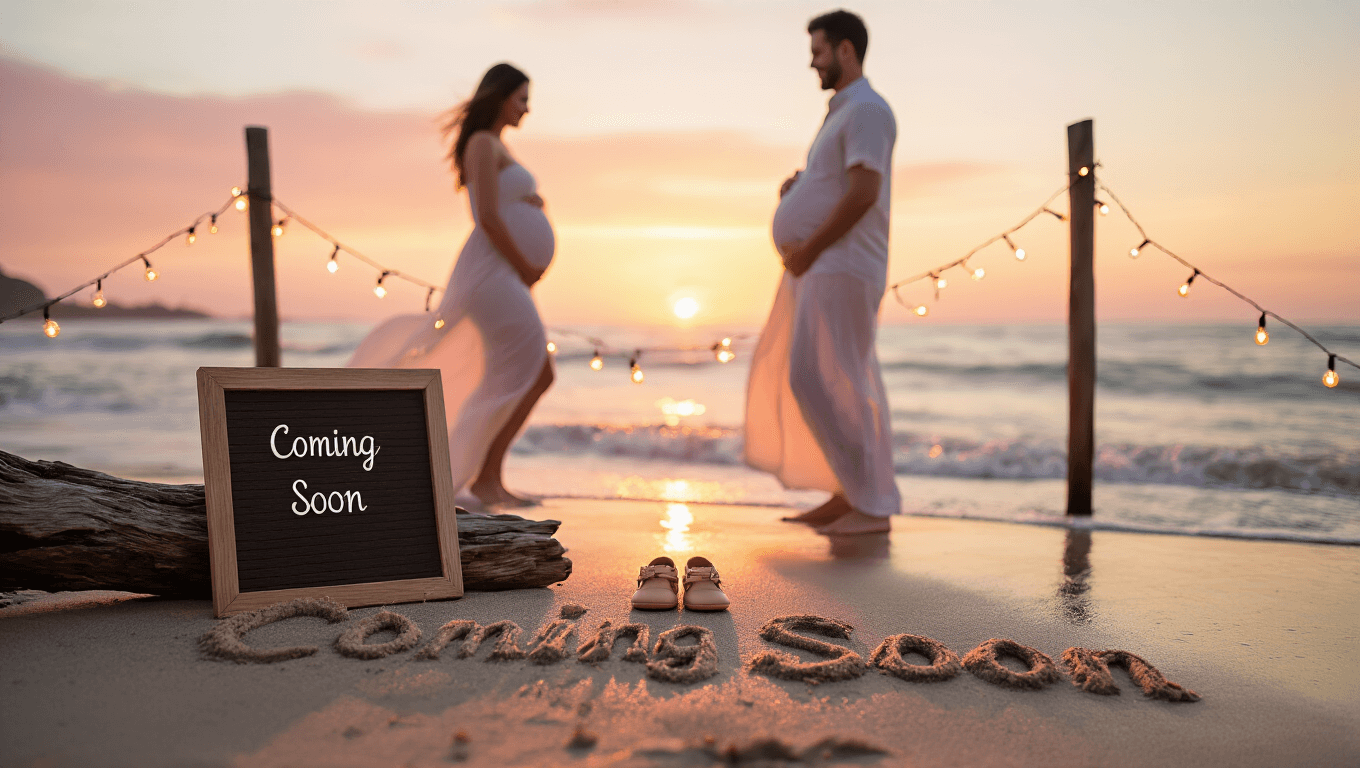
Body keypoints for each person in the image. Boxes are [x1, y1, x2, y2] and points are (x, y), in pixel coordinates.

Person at [349, 63, 554, 508]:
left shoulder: (496, 145)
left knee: (528, 373)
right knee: (533, 372)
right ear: (499, 97)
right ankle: (479, 477)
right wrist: (523, 265)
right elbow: (486, 216)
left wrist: (530, 201)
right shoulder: (482, 142)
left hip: (501, 274)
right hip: (495, 272)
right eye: (521, 98)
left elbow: (502, 203)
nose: (527, 108)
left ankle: (485, 476)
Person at [744, 10, 901, 536]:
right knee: (823, 378)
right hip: (822, 263)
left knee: (830, 379)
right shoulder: (840, 114)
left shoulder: (868, 111)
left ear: (846, 50)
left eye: (818, 51)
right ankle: (848, 493)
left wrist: (809, 245)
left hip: (842, 262)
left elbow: (863, 191)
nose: (812, 62)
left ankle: (871, 508)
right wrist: (804, 186)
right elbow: (840, 181)